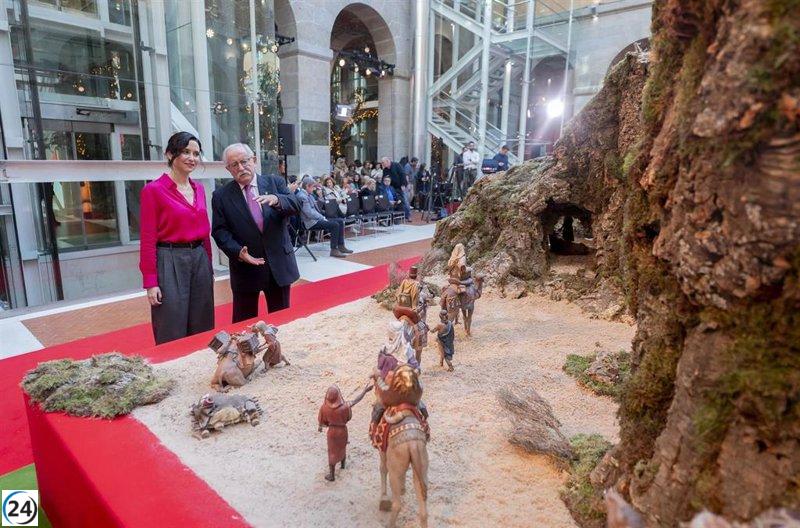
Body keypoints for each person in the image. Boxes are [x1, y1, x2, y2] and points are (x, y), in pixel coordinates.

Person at [211, 143, 300, 323]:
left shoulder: (275, 183)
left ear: (254, 160)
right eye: (234, 165)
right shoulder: (221, 195)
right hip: (245, 268)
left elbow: (296, 205)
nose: (241, 168)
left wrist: (277, 199)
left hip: (278, 265)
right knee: (244, 325)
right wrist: (238, 252)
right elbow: (220, 231)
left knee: (281, 322)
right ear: (228, 169)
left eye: (244, 161)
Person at [139, 131, 214, 345]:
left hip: (199, 258)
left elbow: (204, 229)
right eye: (186, 152)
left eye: (196, 153)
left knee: (203, 320)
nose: (192, 158)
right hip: (169, 259)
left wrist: (208, 265)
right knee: (171, 323)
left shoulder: (199, 188)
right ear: (170, 154)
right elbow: (147, 238)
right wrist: (150, 282)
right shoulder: (152, 190)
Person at [318, 383, 371, 482]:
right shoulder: (345, 406)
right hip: (342, 431)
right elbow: (356, 400)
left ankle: (332, 475)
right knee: (342, 447)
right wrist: (364, 391)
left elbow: (321, 421)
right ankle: (342, 465)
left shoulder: (324, 407)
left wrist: (320, 427)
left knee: (332, 451)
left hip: (332, 433)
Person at [297, 176, 351, 258]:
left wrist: (321, 196)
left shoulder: (309, 195)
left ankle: (341, 245)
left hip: (315, 219)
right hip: (309, 222)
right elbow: (309, 213)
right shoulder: (302, 196)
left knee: (340, 221)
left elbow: (317, 207)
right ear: (307, 186)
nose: (314, 189)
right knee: (335, 225)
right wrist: (322, 217)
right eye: (313, 187)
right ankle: (334, 249)